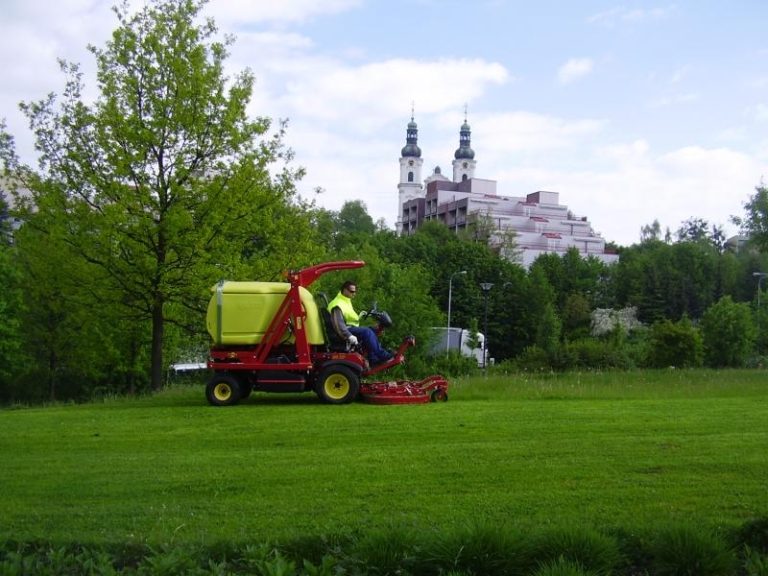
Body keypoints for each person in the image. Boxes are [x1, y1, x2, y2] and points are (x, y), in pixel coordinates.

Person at [327, 280, 393, 365]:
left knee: (372, 330)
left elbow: (349, 318)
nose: (354, 294)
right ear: (345, 290)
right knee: (367, 332)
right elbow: (338, 325)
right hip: (343, 332)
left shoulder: (345, 301)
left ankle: (373, 359)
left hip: (349, 328)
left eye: (355, 291)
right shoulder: (337, 304)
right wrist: (349, 336)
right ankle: (383, 355)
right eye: (352, 291)